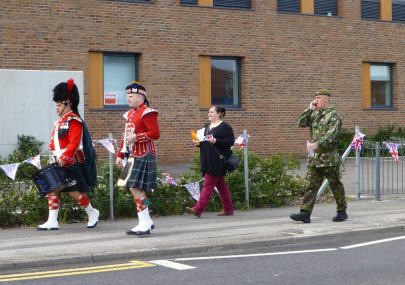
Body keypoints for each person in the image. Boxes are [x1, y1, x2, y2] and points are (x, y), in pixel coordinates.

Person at [37, 79, 99, 230]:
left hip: (71, 163)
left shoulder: (74, 121)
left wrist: (64, 158)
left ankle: (92, 212)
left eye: (59, 104)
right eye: (56, 104)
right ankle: (52, 221)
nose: (56, 108)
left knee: (74, 193)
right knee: (52, 189)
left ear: (68, 103)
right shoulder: (60, 122)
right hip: (59, 162)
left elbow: (74, 143)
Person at [290, 89, 348, 223]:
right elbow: (301, 122)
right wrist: (310, 109)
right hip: (315, 159)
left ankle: (342, 211)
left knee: (335, 185)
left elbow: (332, 135)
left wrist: (318, 144)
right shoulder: (315, 114)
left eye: (319, 98)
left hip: (329, 158)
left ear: (327, 99)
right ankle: (305, 213)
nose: (316, 100)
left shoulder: (334, 115)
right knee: (311, 186)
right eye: (315, 97)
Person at [116, 81, 160, 237]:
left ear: (141, 97)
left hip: (144, 153)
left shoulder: (148, 112)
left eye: (131, 95)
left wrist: (137, 137)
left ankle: (145, 221)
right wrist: (120, 154)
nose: (128, 98)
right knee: (134, 187)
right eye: (127, 95)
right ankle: (147, 220)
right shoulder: (130, 114)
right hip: (133, 154)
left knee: (135, 187)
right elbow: (126, 135)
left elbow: (155, 133)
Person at [187, 105, 235, 217]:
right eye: (209, 112)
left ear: (219, 114)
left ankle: (198, 209)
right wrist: (197, 144)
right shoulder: (206, 127)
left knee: (208, 185)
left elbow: (230, 142)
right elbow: (203, 143)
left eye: (212, 112)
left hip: (218, 161)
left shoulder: (225, 127)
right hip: (207, 159)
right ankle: (228, 209)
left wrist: (216, 141)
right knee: (221, 185)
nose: (209, 113)